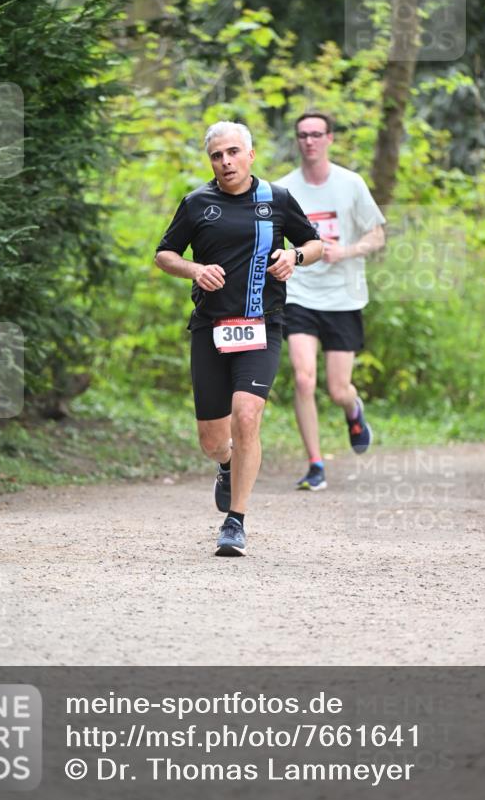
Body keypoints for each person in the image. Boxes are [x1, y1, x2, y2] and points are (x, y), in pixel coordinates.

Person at [155, 121, 323, 557]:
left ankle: (236, 521)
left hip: (261, 325)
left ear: (250, 154)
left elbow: (315, 243)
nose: (225, 161)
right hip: (211, 328)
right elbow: (164, 254)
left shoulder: (277, 200)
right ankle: (226, 465)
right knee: (213, 439)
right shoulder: (197, 203)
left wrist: (295, 255)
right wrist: (194, 269)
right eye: (217, 155)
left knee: (246, 416)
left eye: (233, 152)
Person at [276, 110, 385, 492]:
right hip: (299, 295)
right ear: (297, 140)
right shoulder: (283, 189)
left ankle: (354, 412)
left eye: (317, 134)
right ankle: (315, 465)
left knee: (339, 389)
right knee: (304, 380)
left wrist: (348, 251)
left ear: (329, 139)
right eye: (303, 135)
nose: (309, 141)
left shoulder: (351, 184)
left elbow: (378, 237)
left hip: (343, 298)